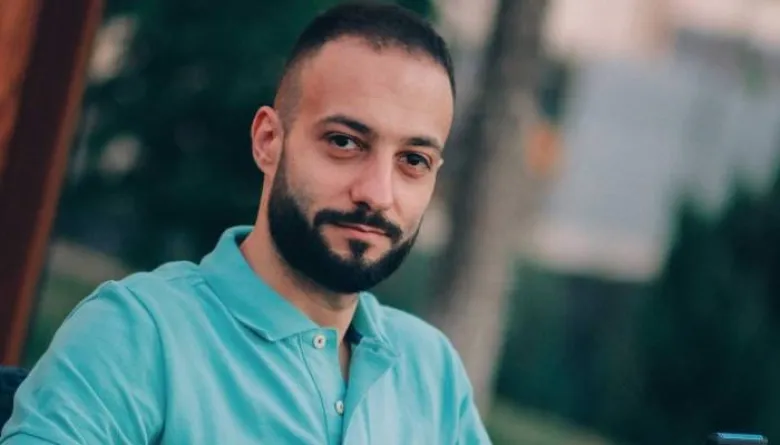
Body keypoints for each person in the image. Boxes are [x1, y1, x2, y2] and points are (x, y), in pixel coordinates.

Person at [0, 2, 492, 444]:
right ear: (268, 141)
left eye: (413, 160)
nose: (377, 193)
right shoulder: (138, 333)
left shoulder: (431, 370)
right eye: (344, 142)